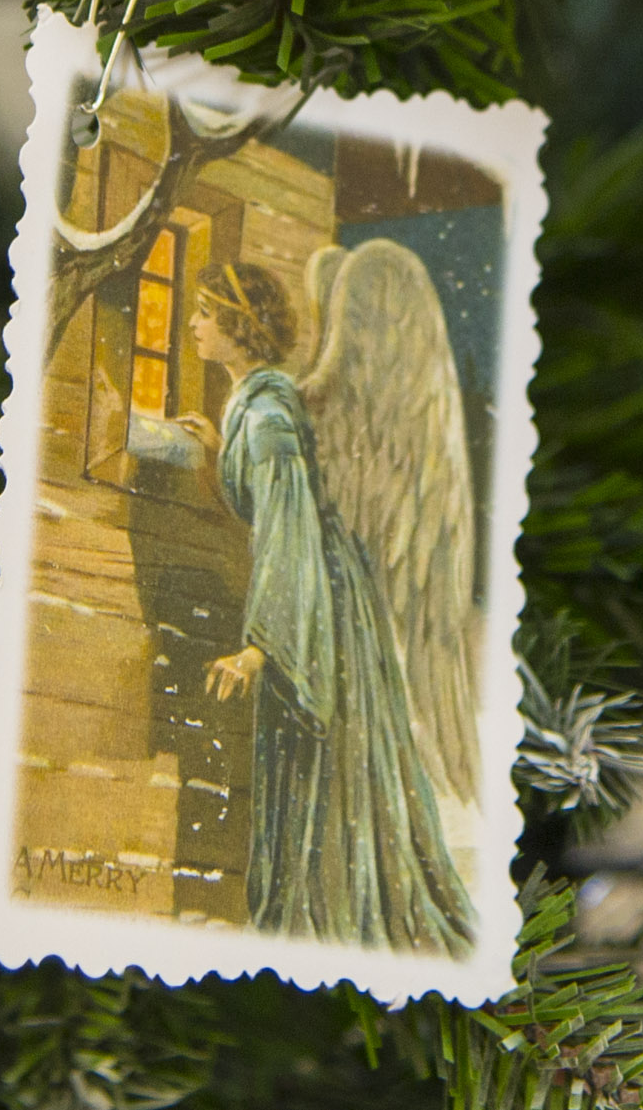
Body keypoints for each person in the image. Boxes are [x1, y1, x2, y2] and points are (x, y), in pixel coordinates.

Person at [176, 263, 472, 955]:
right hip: (320, 590)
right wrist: (219, 454)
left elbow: (289, 534)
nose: (193, 324)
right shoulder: (254, 406)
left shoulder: (269, 418)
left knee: (320, 756)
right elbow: (269, 510)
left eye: (207, 313)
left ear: (240, 328)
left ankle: (323, 922)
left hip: (319, 602)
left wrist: (260, 648)